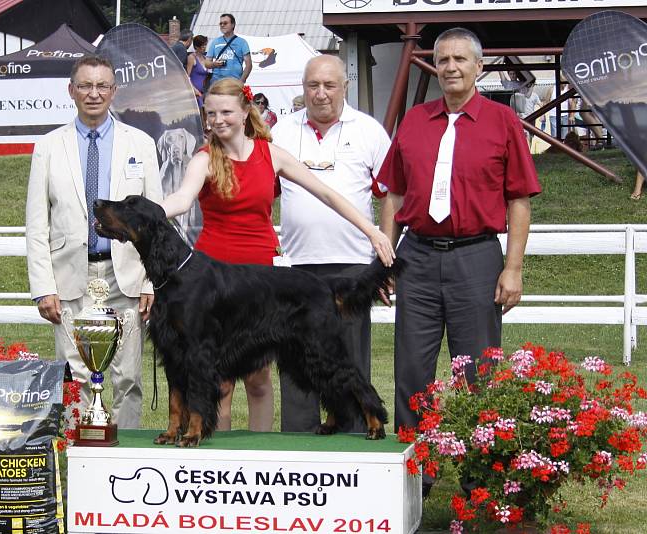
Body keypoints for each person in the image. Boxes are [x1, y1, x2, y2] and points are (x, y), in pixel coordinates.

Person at [159, 77, 395, 432]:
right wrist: (152, 213)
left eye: (225, 112)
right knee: (219, 381)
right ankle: (217, 456)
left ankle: (260, 452)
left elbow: (327, 194)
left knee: (258, 378)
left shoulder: (271, 154)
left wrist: (372, 230)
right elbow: (181, 199)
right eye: (210, 114)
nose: (217, 120)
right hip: (214, 275)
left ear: (244, 112)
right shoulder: (204, 159)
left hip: (258, 273)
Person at [378, 27, 541, 495]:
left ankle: (479, 484)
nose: (450, 67)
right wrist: (387, 260)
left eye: (460, 60)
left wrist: (513, 268)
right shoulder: (413, 121)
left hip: (476, 257)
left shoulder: (502, 122)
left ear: (478, 67)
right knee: (412, 374)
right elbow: (394, 194)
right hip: (417, 258)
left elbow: (520, 200)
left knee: (478, 375)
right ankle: (415, 481)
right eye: (443, 59)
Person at [25, 56, 162, 433]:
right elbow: (37, 224)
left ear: (114, 91)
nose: (94, 93)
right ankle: (80, 460)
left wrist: (152, 282)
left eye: (102, 86)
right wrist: (43, 288)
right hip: (71, 276)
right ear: (71, 91)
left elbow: (158, 221)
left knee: (128, 379)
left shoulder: (141, 144)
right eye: (85, 85)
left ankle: (128, 458)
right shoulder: (49, 147)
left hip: (127, 277)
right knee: (77, 379)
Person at [271, 55, 392, 433]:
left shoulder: (370, 130)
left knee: (349, 361)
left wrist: (384, 257)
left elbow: (391, 194)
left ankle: (354, 440)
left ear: (345, 86)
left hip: (352, 264)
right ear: (302, 88)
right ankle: (298, 442)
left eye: (329, 85)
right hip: (295, 268)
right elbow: (263, 191)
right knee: (295, 362)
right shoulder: (280, 132)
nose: (320, 94)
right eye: (312, 86)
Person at [205, 13, 251, 84]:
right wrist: (214, 64)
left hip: (234, 82)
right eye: (221, 24)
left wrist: (241, 81)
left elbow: (249, 65)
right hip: (217, 82)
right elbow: (207, 63)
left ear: (233, 25)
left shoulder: (242, 42)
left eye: (225, 23)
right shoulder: (215, 42)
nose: (222, 25)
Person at [187, 35, 208, 108]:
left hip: (203, 93)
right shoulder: (191, 57)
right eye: (202, 46)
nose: (204, 47)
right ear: (196, 46)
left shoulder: (205, 58)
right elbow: (187, 77)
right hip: (195, 93)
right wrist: (194, 90)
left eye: (205, 45)